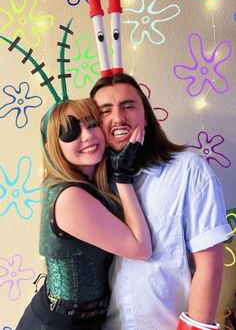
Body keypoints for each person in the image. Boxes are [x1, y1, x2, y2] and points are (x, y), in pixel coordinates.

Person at [90, 72, 232, 330]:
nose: (118, 118)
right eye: (105, 111)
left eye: (128, 106)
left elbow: (209, 268)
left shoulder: (189, 170)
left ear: (146, 115)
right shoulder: (92, 184)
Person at [16, 98, 152, 330]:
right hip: (60, 324)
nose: (88, 136)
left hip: (81, 320)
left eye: (91, 124)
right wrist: (123, 178)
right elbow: (141, 249)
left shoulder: (87, 185)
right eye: (70, 131)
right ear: (53, 146)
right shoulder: (71, 198)